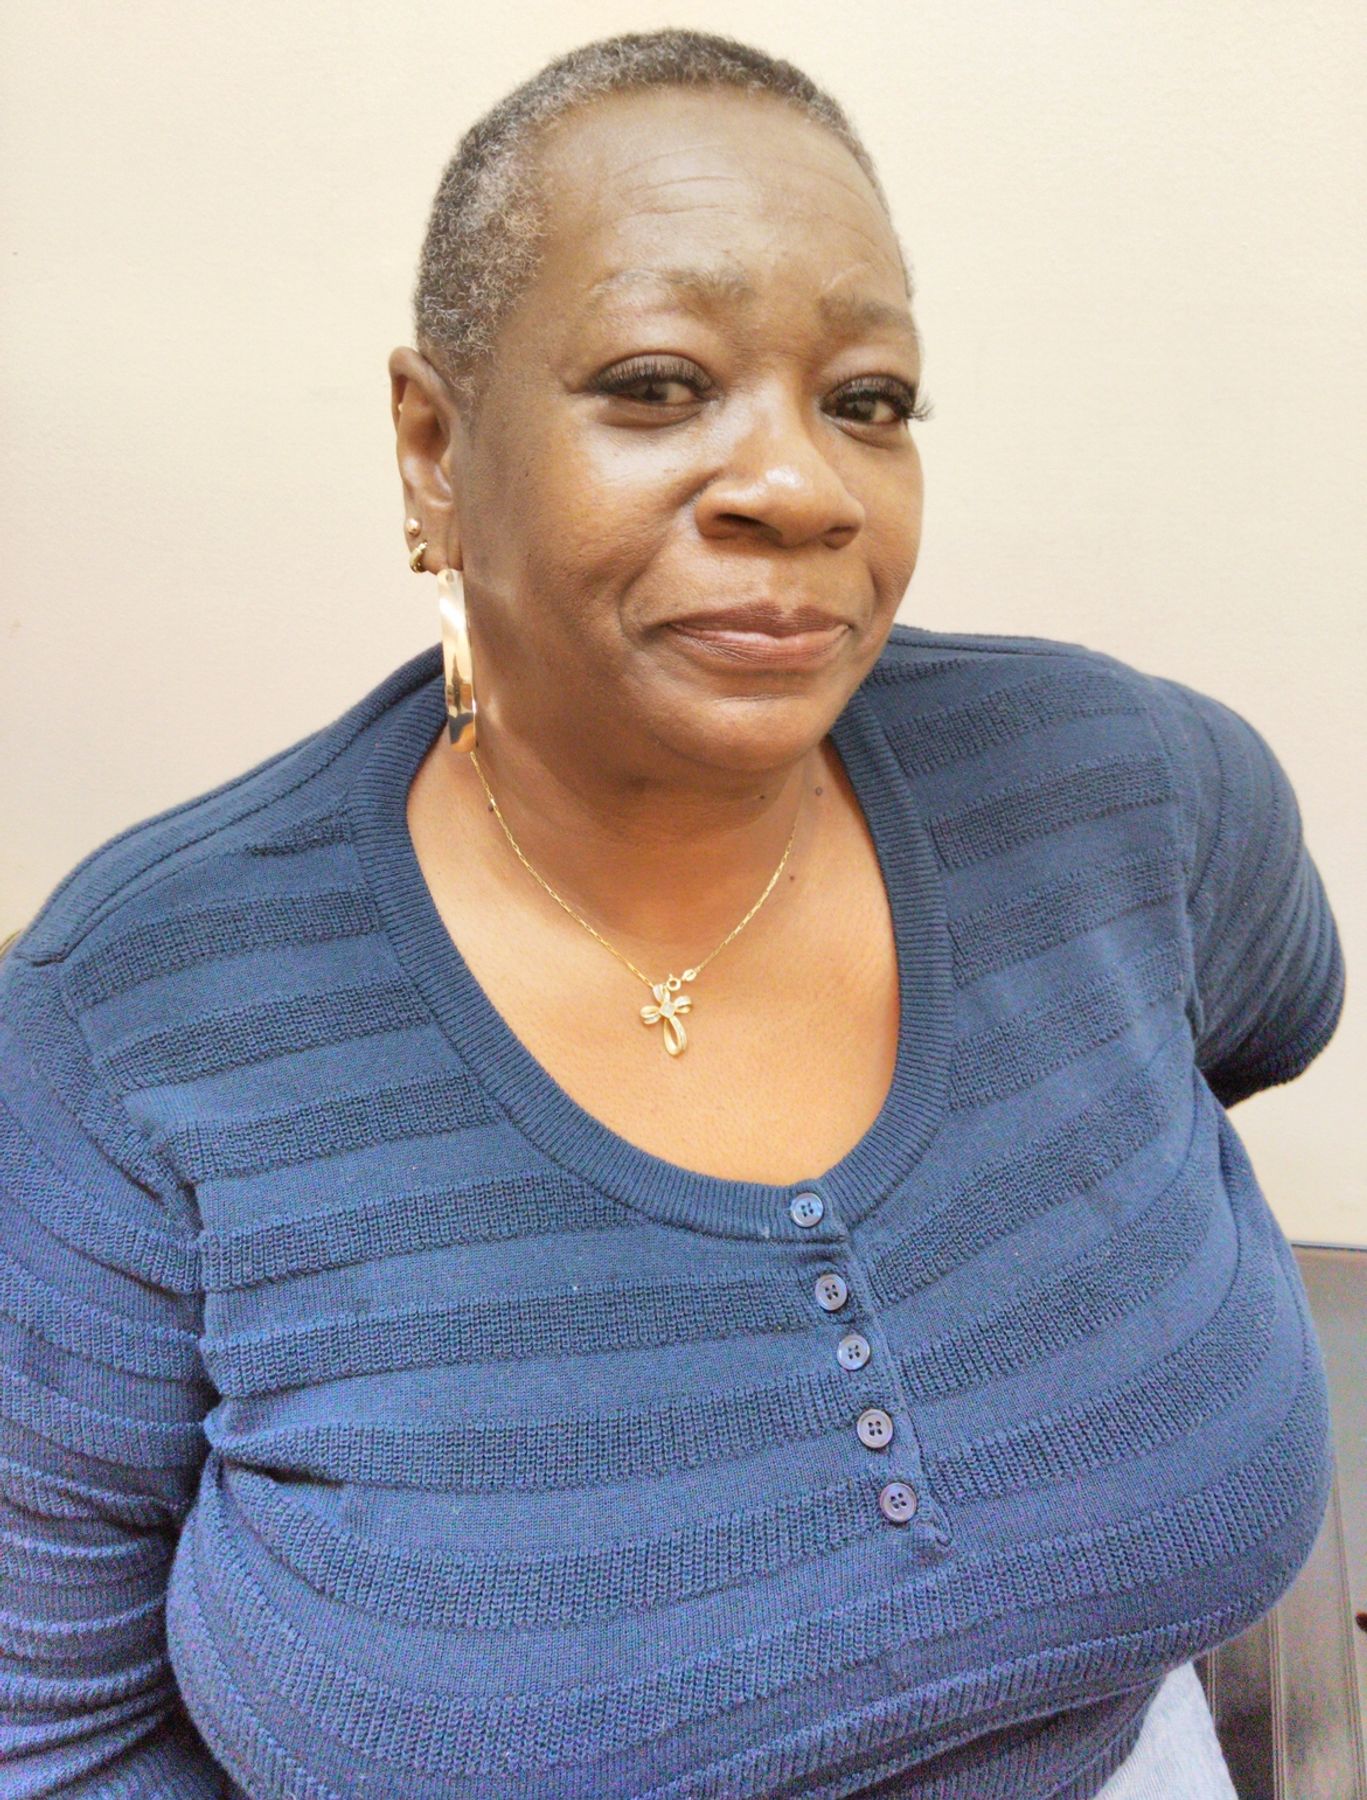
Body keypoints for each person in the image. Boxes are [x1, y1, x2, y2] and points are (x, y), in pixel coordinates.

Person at [0, 27, 1345, 1800]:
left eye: (868, 400)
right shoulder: (127, 1028)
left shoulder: (1127, 791)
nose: (803, 486)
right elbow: (53, 1737)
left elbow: (1241, 1033)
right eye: (656, 383)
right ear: (433, 448)